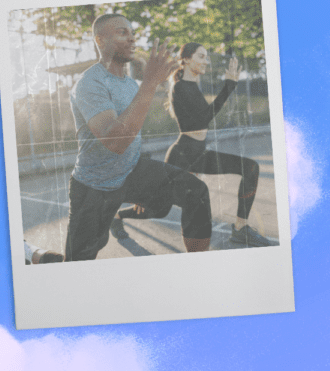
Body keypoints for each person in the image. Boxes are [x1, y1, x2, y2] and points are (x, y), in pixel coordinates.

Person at [66, 14, 214, 261]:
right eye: (122, 32)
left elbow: (132, 132)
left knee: (195, 191)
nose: (132, 38)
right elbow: (115, 142)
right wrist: (150, 82)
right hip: (95, 186)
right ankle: (36, 256)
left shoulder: (130, 84)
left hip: (131, 172)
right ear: (100, 40)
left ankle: (198, 267)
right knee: (76, 264)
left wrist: (147, 181)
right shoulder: (89, 83)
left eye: (132, 33)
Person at [112, 42, 270, 247]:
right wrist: (229, 86)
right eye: (201, 56)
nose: (206, 61)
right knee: (158, 209)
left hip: (199, 153)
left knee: (250, 168)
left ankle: (240, 228)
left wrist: (229, 86)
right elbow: (203, 120)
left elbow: (203, 119)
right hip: (182, 156)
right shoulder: (180, 88)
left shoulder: (193, 86)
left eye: (206, 57)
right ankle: (117, 216)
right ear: (186, 59)